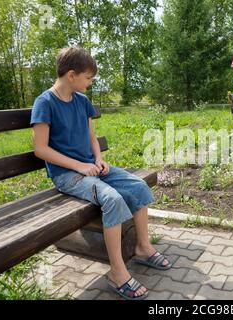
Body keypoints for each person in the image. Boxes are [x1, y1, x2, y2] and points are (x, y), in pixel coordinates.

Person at [30, 46, 171, 300]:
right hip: (67, 174)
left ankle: (143, 247)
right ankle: (117, 273)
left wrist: (98, 159)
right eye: (88, 78)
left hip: (91, 166)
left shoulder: (82, 101)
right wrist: (80, 166)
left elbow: (92, 138)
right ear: (71, 75)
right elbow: (40, 149)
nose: (90, 82)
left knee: (138, 186)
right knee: (112, 199)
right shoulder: (45, 102)